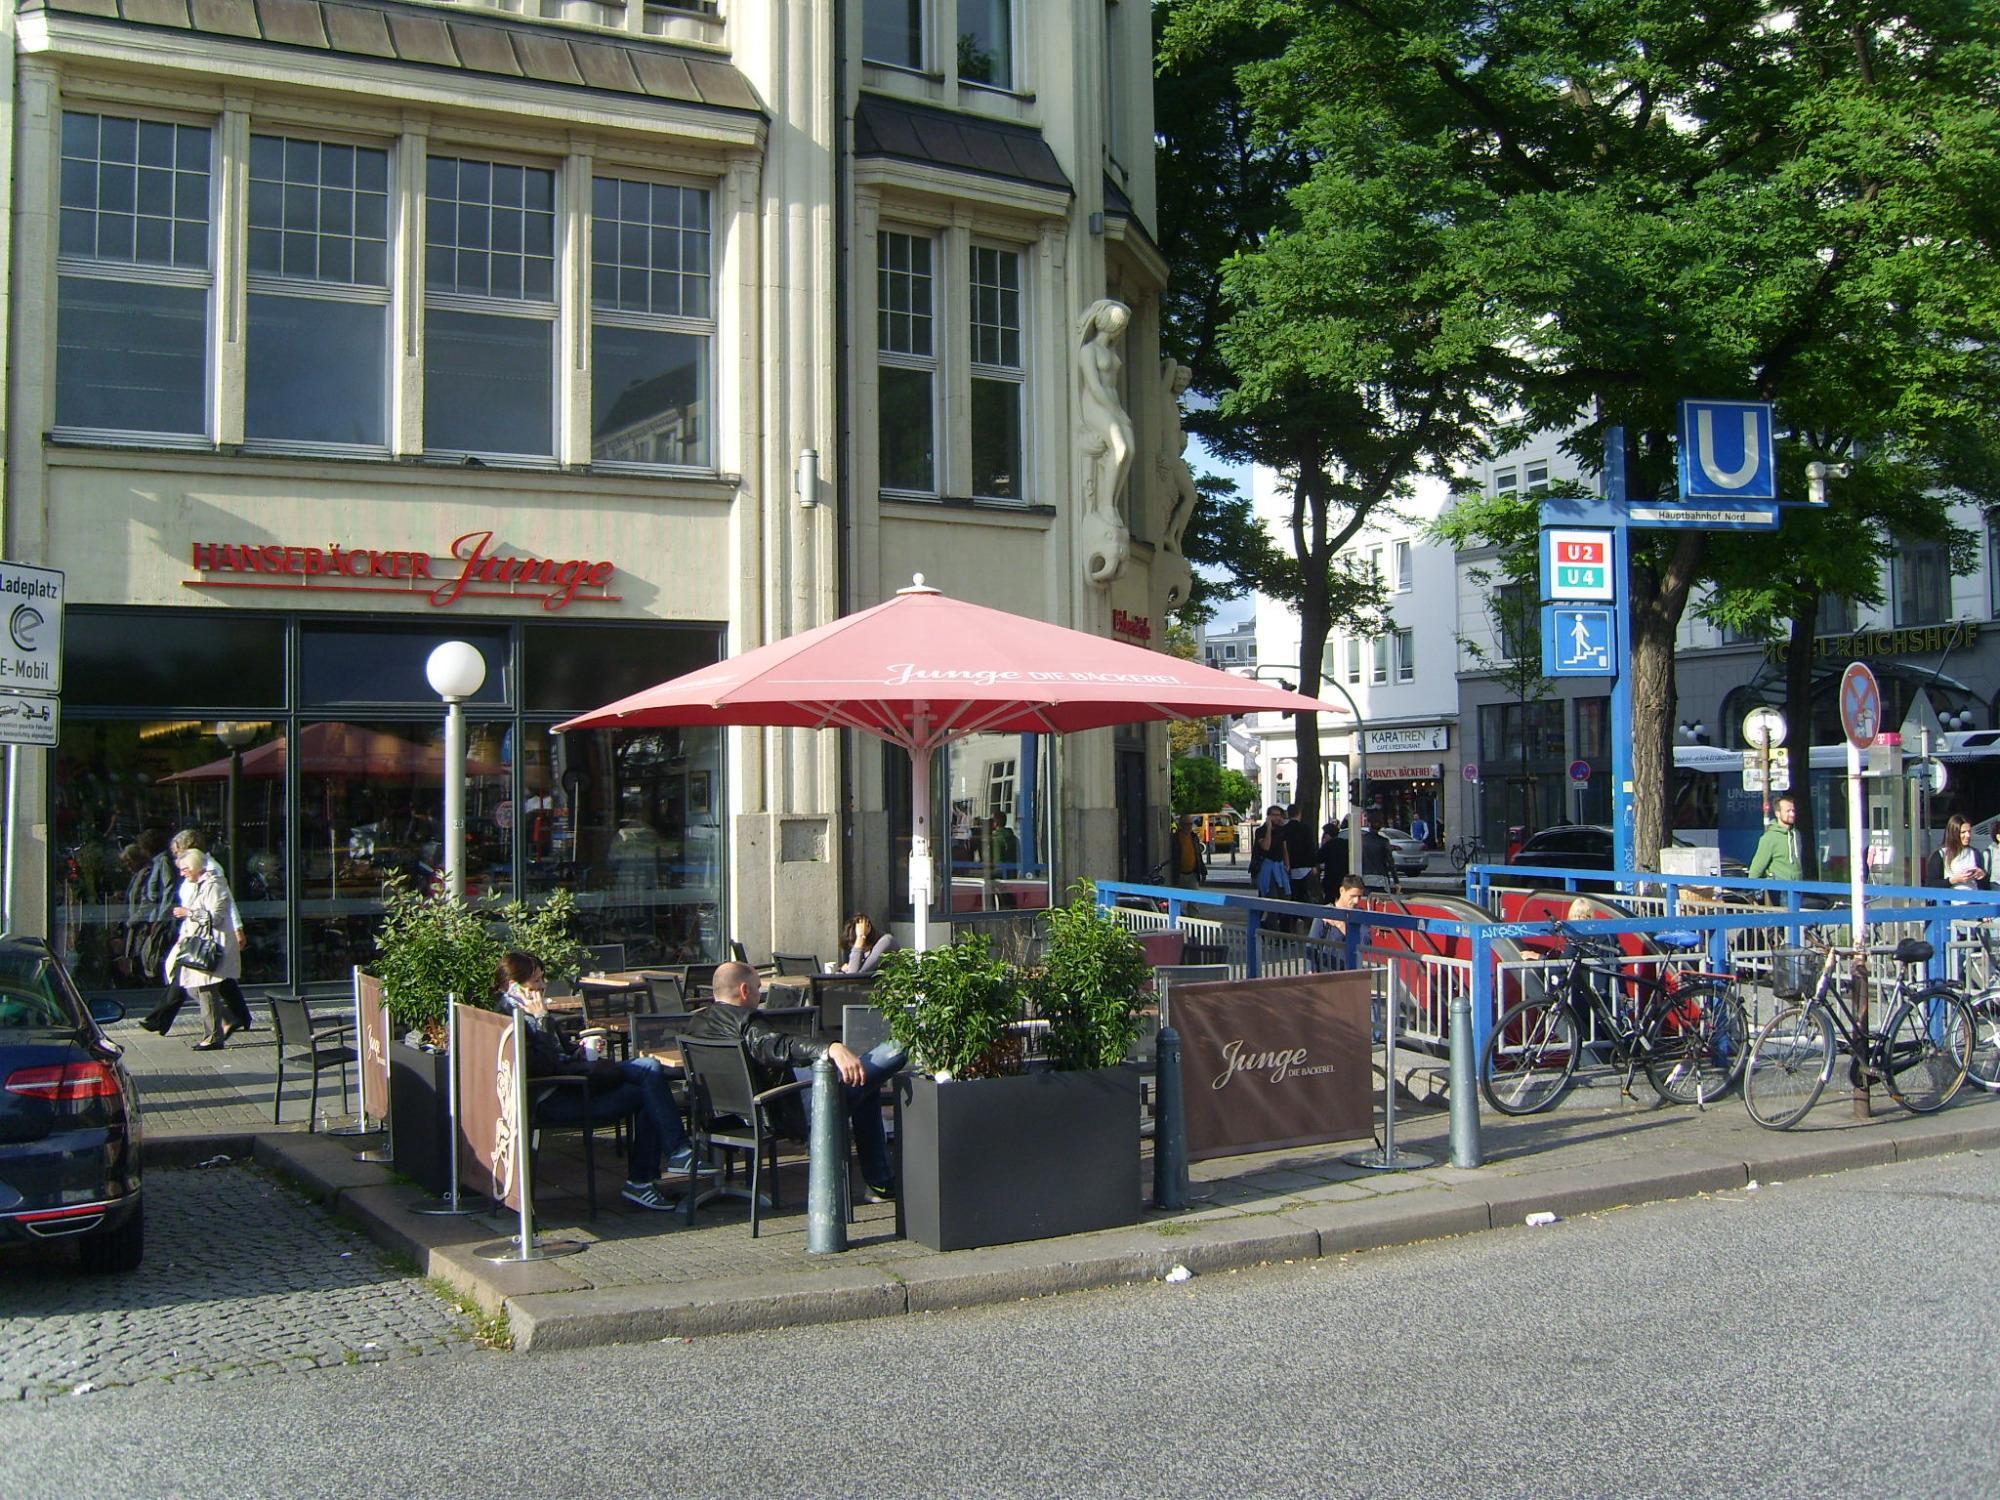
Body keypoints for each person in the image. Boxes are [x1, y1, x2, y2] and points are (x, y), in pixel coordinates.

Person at [684, 961, 906, 1202]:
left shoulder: (696, 1024)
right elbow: (778, 1045)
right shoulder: (747, 1023)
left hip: (729, 1114)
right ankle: (879, 1182)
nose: (760, 997)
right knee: (898, 1049)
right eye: (758, 990)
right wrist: (831, 1047)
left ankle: (880, 1182)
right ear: (745, 990)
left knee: (864, 1086)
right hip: (786, 1106)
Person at [495, 951, 696, 1212]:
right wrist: (544, 1019)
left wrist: (579, 1049)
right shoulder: (513, 1021)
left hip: (576, 1081)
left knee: (650, 1071)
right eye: (536, 982)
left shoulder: (529, 1014)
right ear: (514, 987)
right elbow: (541, 1066)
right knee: (649, 1088)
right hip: (557, 1098)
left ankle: (673, 1156)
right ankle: (655, 1169)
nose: (543, 986)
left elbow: (558, 1053)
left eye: (542, 979)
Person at [170, 848, 253, 1050]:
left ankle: (213, 1036)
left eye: (185, 869)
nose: (182, 873)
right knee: (193, 987)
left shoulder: (214, 885)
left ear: (197, 866)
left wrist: (188, 913)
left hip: (211, 945)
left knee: (206, 989)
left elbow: (214, 917)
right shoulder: (197, 884)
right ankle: (222, 1024)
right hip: (198, 942)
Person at [1747, 794, 1804, 884]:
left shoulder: (1796, 834)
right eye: (1788, 811)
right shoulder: (1769, 838)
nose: (1792, 814)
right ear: (1777, 814)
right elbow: (1756, 868)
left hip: (1797, 889)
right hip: (1779, 890)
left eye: (1793, 810)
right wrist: (1751, 889)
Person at [1925, 814, 1989, 891]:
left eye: (1969, 831)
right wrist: (1953, 880)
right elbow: (1930, 885)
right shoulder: (1940, 855)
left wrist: (1982, 876)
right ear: (1954, 833)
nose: (1968, 835)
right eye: (1963, 832)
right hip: (1953, 900)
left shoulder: (1974, 853)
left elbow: (1985, 886)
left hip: (1975, 899)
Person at [831, 913, 898, 975]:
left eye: (857, 946)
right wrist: (842, 971)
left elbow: (854, 976)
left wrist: (860, 937)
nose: (857, 948)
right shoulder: (868, 949)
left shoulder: (886, 942)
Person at [1282, 806, 1320, 905]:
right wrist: (1313, 865)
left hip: (1290, 865)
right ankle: (1304, 916)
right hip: (1305, 865)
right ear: (1299, 814)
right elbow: (1310, 847)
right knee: (1305, 892)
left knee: (1293, 893)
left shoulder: (1284, 829)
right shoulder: (1306, 829)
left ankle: (1294, 916)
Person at [1254, 807, 1292, 898]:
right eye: (1274, 815)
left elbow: (1284, 848)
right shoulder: (1260, 831)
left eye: (1279, 815)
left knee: (1285, 894)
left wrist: (1287, 865)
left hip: (1280, 865)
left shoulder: (1281, 830)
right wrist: (1269, 829)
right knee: (1270, 894)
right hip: (1267, 866)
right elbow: (1266, 846)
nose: (1277, 818)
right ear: (1268, 816)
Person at [1171, 814, 1205, 888]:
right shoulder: (1175, 838)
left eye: (1190, 824)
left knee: (1194, 897)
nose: (1188, 827)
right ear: (1180, 825)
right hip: (1179, 875)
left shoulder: (1194, 837)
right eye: (1186, 824)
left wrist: (1203, 871)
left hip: (1192, 874)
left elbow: (1198, 855)